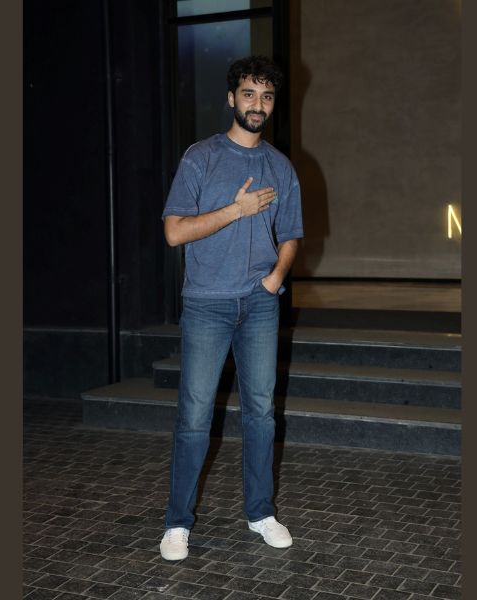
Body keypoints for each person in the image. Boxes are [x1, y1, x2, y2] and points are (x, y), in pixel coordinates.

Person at [159, 55, 304, 561]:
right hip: (207, 303)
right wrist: (235, 211)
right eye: (248, 94)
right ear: (231, 99)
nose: (257, 105)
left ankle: (261, 513)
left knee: (261, 413)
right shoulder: (201, 158)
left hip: (260, 305)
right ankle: (177, 523)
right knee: (195, 415)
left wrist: (275, 279)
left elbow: (291, 234)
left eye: (266, 96)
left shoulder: (281, 167)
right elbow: (174, 232)